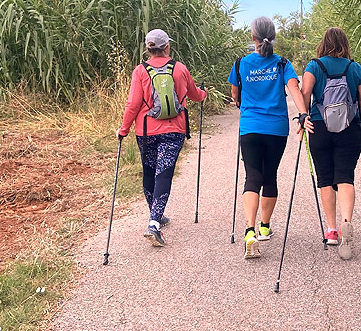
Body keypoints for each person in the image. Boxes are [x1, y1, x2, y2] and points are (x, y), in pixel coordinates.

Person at [228, 16, 309, 259]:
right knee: (270, 175)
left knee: (253, 176)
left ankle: (249, 230)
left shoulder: (241, 63)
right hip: (276, 128)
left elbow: (235, 94)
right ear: (273, 37)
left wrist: (240, 102)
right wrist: (303, 114)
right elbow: (294, 88)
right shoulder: (283, 64)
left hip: (250, 127)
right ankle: (265, 227)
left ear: (252, 37)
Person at [117, 29, 207, 246]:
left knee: (149, 172)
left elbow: (133, 104)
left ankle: (155, 215)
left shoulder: (140, 71)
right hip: (173, 129)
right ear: (167, 47)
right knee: (164, 174)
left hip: (146, 130)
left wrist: (123, 129)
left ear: (148, 49)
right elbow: (195, 94)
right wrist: (204, 93)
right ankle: (155, 222)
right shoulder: (179, 68)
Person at [299, 27, 361, 260]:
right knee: (345, 176)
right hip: (349, 128)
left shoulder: (314, 66)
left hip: (319, 127)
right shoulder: (354, 68)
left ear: (323, 43)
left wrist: (304, 116)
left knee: (325, 178)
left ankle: (331, 230)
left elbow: (305, 93)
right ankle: (346, 222)